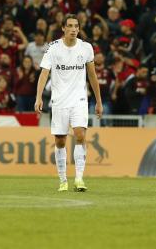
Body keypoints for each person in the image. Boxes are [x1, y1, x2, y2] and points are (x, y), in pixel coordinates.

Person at [35, 14, 103, 192]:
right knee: (60, 141)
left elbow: (92, 76)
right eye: (70, 26)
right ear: (63, 28)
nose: (73, 29)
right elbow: (44, 73)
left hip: (79, 99)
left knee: (80, 135)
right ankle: (63, 180)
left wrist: (98, 101)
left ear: (79, 29)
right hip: (59, 101)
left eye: (76, 26)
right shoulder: (53, 48)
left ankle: (79, 179)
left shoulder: (86, 48)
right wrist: (38, 97)